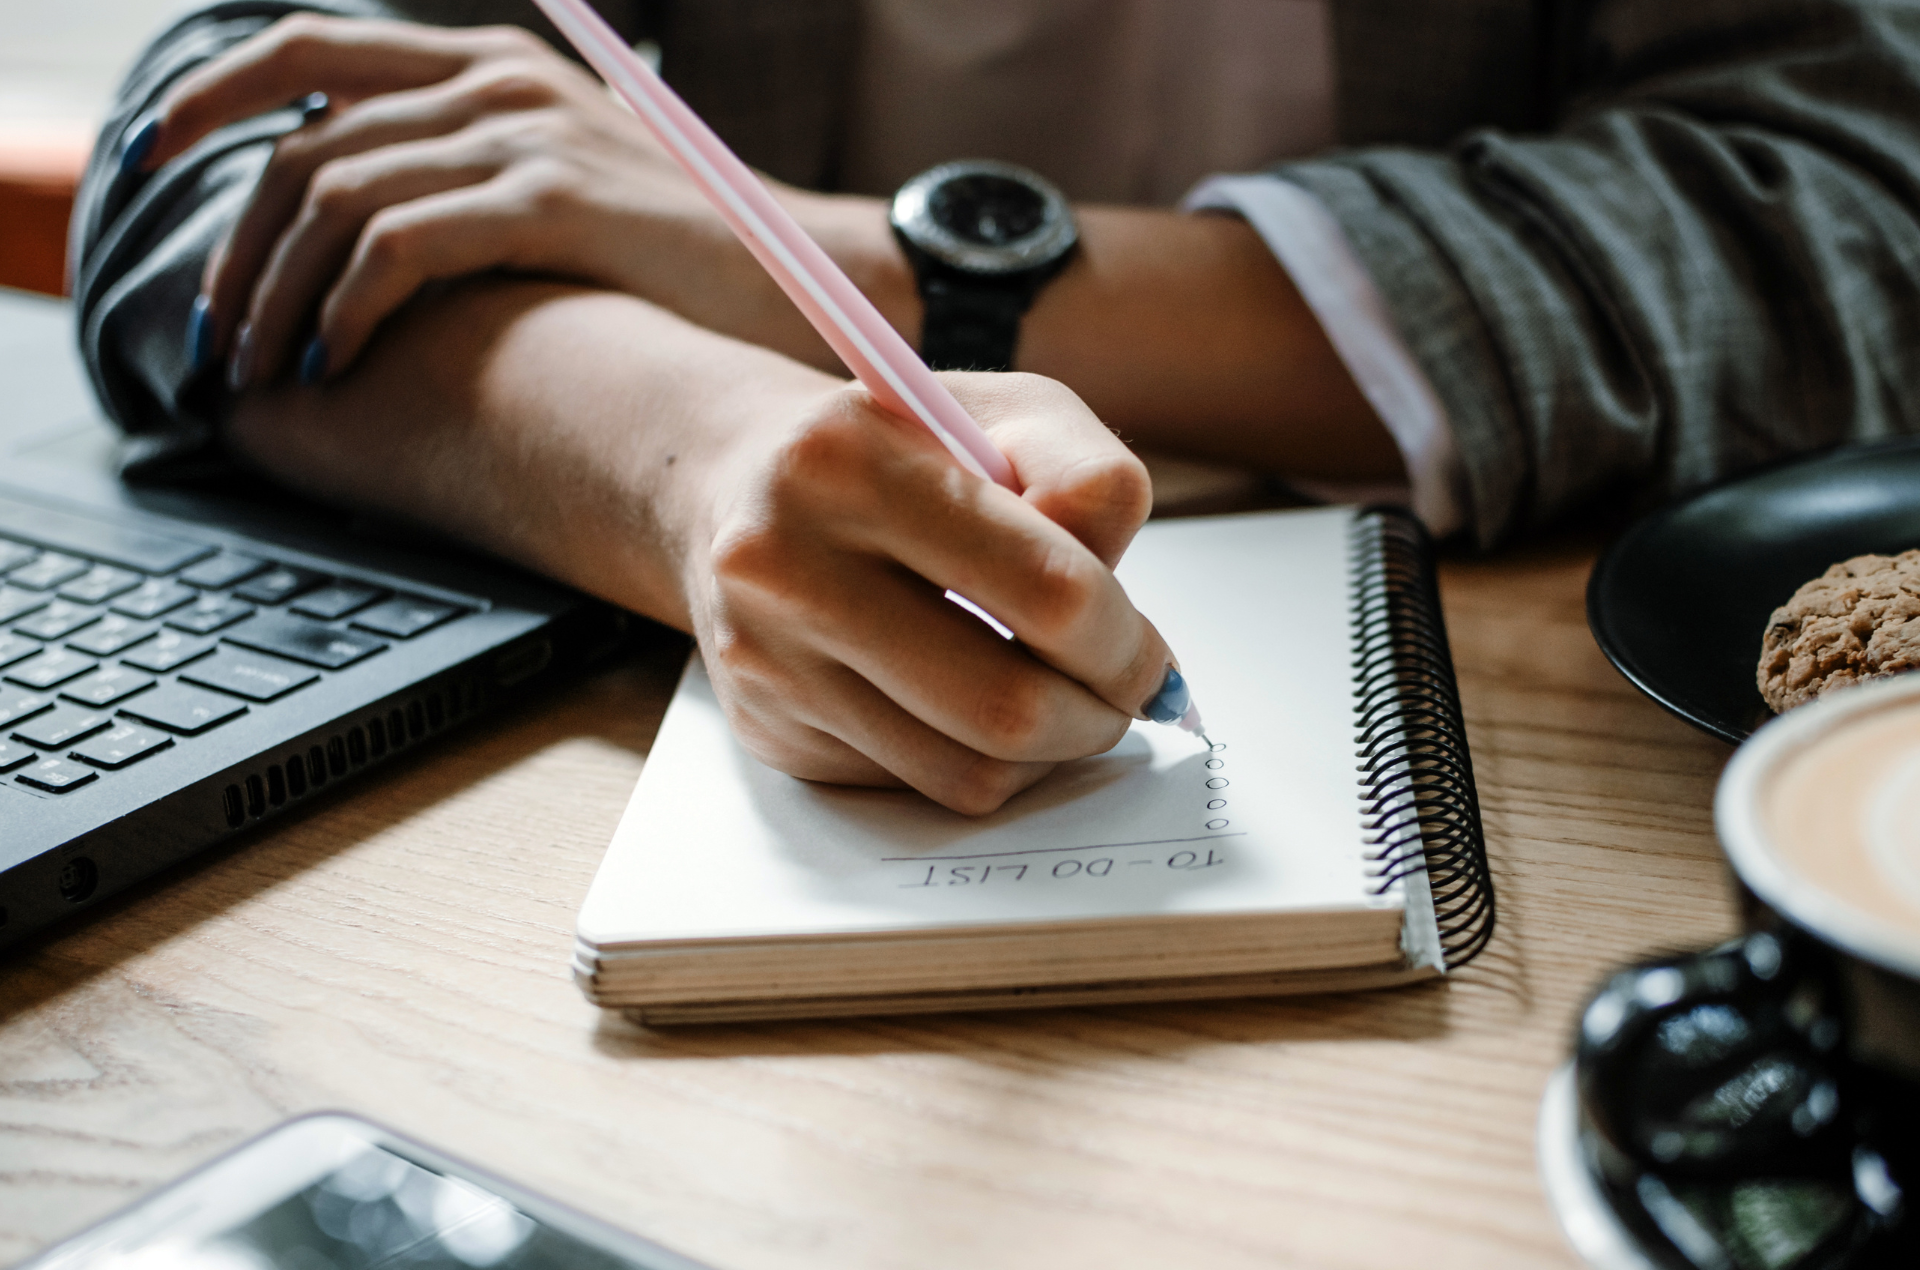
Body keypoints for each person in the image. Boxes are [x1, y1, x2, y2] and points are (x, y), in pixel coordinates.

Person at [71, 0, 1920, 812]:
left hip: (1550, 710)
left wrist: (858, 265)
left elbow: (1847, 205)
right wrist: (694, 453)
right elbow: (203, 164)